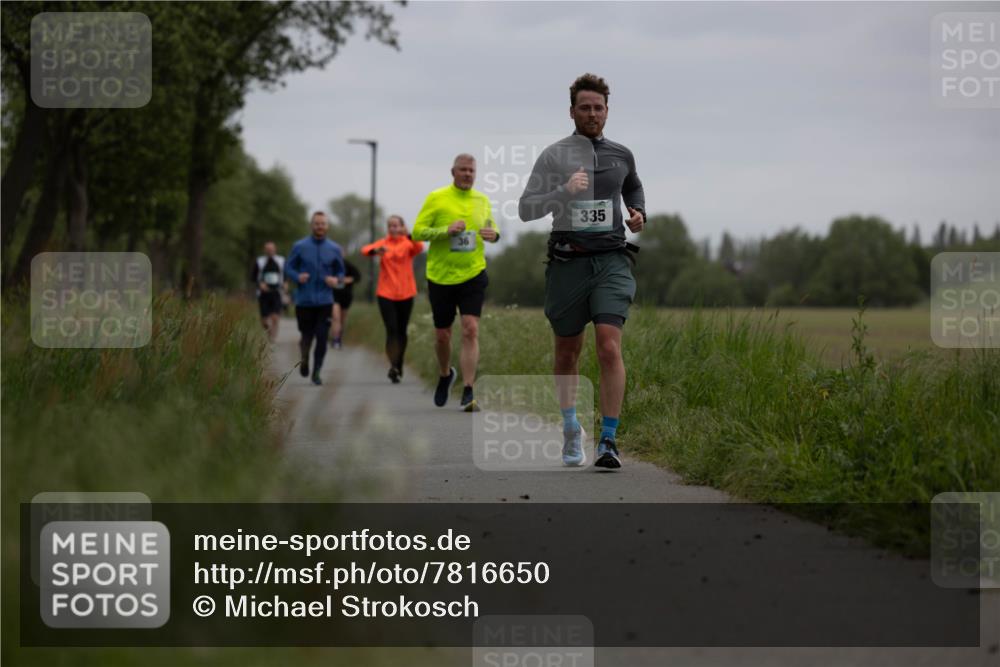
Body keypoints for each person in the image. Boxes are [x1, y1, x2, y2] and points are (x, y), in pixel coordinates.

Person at [518, 73, 646, 470]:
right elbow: (526, 209)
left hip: (610, 261)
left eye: (599, 107)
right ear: (572, 111)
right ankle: (571, 427)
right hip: (567, 263)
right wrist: (564, 193)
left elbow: (634, 187)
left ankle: (608, 439)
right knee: (567, 353)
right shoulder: (554, 156)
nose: (592, 113)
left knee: (609, 346)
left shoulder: (622, 154)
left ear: (608, 111)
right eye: (585, 107)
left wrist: (639, 213)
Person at [412, 153, 500, 410]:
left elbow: (491, 229)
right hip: (440, 276)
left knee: (471, 328)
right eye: (463, 170)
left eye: (472, 171)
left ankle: (469, 388)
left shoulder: (481, 200)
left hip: (473, 273)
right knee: (442, 335)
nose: (468, 174)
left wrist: (494, 235)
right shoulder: (436, 198)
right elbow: (417, 231)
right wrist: (445, 230)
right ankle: (444, 374)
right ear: (453, 172)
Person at [284, 211, 346, 386]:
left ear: (327, 226)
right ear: (312, 225)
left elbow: (341, 272)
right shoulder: (300, 246)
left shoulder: (334, 248)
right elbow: (288, 268)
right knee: (306, 336)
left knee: (321, 336)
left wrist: (336, 279)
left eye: (323, 224)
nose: (320, 226)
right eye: (317, 223)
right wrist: (297, 277)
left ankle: (317, 371)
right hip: (304, 300)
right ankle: (304, 359)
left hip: (325, 300)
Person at [362, 215, 424, 383]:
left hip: (406, 293)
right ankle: (393, 366)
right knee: (392, 330)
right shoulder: (384, 243)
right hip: (385, 293)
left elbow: (419, 247)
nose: (393, 229)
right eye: (390, 226)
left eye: (396, 226)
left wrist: (409, 234)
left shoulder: (408, 243)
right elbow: (365, 250)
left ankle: (399, 363)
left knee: (402, 331)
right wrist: (376, 251)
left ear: (402, 227)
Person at [251, 241, 286, 343]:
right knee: (264, 321)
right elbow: (253, 277)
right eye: (268, 249)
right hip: (263, 293)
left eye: (272, 249)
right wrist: (260, 284)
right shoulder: (259, 261)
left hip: (276, 291)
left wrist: (286, 283)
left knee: (275, 317)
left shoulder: (281, 261)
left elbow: (286, 274)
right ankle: (269, 331)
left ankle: (273, 337)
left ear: (275, 249)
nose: (270, 251)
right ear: (265, 250)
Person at [331, 258, 361, 349]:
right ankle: (335, 339)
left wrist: (346, 280)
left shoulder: (349, 265)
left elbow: (357, 277)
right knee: (336, 317)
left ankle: (339, 337)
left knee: (342, 319)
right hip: (334, 295)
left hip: (346, 295)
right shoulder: (330, 264)